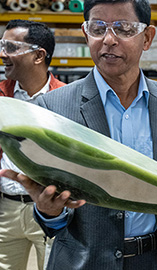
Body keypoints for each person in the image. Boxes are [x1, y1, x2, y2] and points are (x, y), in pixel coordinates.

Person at [0, 0, 157, 269]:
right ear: (86, 34)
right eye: (98, 28)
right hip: (86, 261)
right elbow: (51, 207)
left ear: (147, 38)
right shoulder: (54, 109)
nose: (109, 40)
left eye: (123, 28)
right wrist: (48, 211)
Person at [0, 19, 65, 270]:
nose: (3, 54)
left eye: (11, 47)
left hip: (50, 209)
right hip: (6, 208)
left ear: (39, 56)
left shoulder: (65, 100)